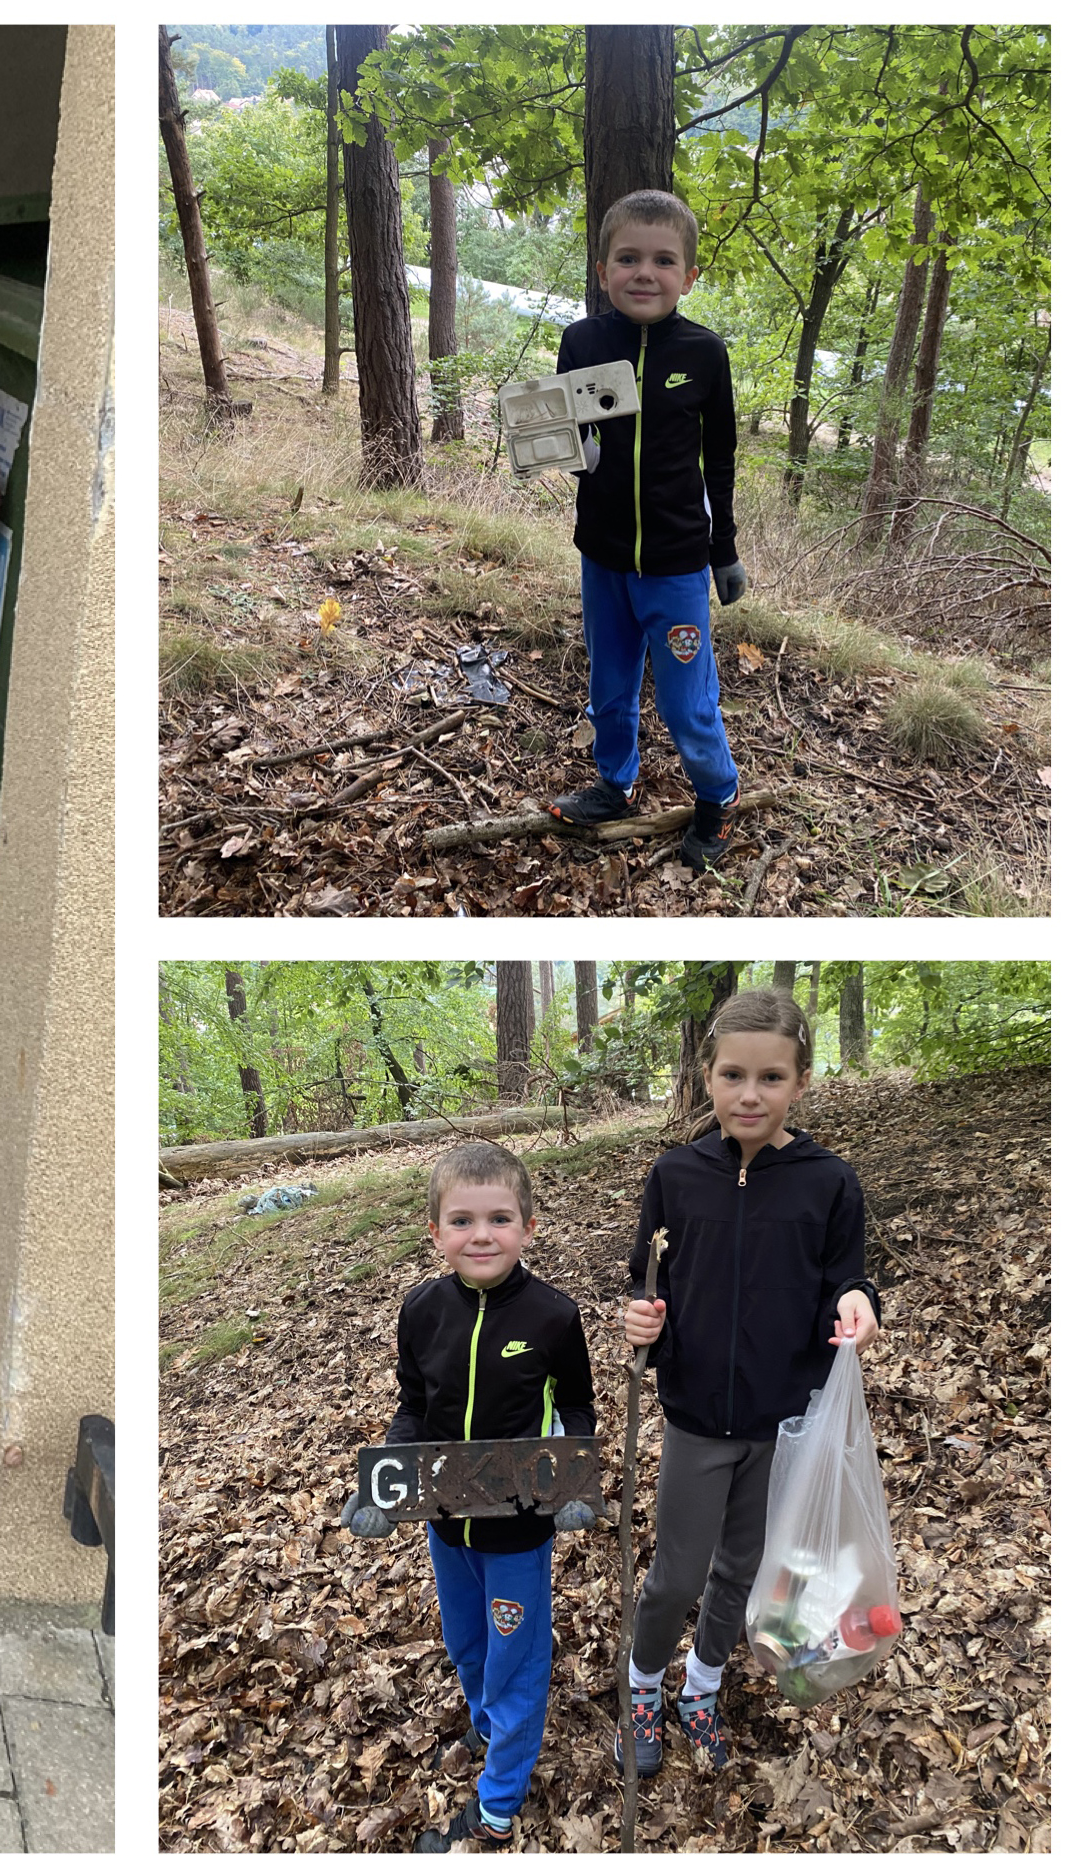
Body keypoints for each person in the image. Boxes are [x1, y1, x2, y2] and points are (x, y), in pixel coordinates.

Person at [616, 988, 880, 1780]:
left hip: (781, 1418)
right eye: (733, 1075)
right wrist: (641, 1320)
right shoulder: (675, 1175)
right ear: (706, 1076)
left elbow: (847, 1278)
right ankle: (642, 1685)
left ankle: (702, 1686)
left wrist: (859, 1304)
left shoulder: (828, 1182)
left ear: (801, 1081)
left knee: (742, 1569)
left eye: (771, 1077)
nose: (750, 1094)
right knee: (676, 1574)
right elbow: (646, 1279)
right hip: (696, 1417)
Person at [342, 1140, 598, 1851]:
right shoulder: (421, 1309)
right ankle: (487, 1729)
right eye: (461, 1220)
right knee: (468, 1643)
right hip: (446, 1522)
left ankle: (498, 1801)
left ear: (528, 1226)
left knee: (517, 1657)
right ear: (435, 1232)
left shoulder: (553, 1315)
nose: (481, 1235)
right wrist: (383, 1480)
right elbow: (413, 1407)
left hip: (520, 1527)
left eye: (499, 1219)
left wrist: (573, 1481)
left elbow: (577, 1407)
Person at [545, 188, 749, 873]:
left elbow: (719, 457)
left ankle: (718, 798)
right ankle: (616, 784)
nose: (644, 273)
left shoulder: (704, 353)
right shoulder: (582, 341)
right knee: (610, 686)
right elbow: (558, 433)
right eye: (628, 257)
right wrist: (575, 453)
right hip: (602, 558)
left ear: (689, 276)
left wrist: (724, 553)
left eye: (664, 260)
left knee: (690, 704)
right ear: (603, 269)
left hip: (677, 566)